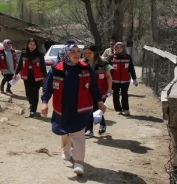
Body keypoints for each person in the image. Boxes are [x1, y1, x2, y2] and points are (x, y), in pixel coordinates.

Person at [41, 44, 107, 176]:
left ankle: (79, 163)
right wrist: (44, 102)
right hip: (62, 108)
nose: (77, 54)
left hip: (81, 108)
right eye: (73, 51)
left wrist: (99, 102)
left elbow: (93, 87)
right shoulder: (56, 69)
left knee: (78, 134)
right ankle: (66, 149)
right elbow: (47, 87)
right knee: (65, 132)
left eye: (78, 51)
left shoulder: (86, 68)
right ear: (65, 54)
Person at [84, 44, 113, 137]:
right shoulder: (82, 64)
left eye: (89, 53)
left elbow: (108, 77)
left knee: (96, 108)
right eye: (85, 53)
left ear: (95, 53)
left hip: (101, 91)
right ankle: (90, 129)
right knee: (89, 108)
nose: (87, 55)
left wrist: (109, 88)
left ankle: (99, 125)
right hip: (87, 92)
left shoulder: (104, 63)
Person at [15, 38, 47, 118]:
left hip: (37, 77)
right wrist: (16, 73)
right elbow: (20, 64)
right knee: (28, 93)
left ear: (36, 46)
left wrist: (45, 77)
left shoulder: (40, 54)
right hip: (27, 76)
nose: (32, 46)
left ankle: (33, 111)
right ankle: (31, 104)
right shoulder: (24, 53)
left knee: (35, 93)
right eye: (31, 44)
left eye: (34, 45)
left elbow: (43, 66)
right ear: (28, 44)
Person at [107, 42, 138, 116]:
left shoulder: (127, 57)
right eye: (117, 48)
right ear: (115, 48)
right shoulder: (111, 57)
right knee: (116, 95)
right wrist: (107, 80)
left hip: (125, 80)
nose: (119, 49)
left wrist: (134, 79)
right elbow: (108, 70)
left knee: (124, 94)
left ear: (123, 48)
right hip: (114, 80)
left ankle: (126, 109)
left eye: (120, 47)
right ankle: (118, 109)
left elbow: (131, 68)